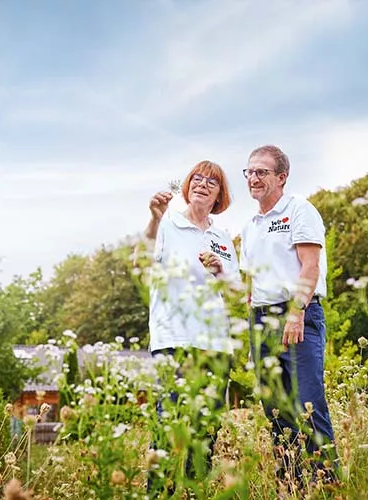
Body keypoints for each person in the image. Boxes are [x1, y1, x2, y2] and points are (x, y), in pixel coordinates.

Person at [239, 145, 337, 483]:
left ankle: (326, 482)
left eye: (261, 172)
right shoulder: (250, 225)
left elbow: (310, 266)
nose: (253, 178)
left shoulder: (299, 211)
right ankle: (292, 482)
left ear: (282, 177)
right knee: (275, 407)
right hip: (261, 320)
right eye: (249, 172)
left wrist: (296, 313)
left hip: (297, 315)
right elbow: (250, 280)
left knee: (307, 402)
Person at [143, 160, 239, 491]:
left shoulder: (222, 238)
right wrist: (155, 218)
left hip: (215, 343)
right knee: (168, 427)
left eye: (210, 182)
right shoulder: (167, 225)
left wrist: (220, 273)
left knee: (204, 433)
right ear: (187, 187)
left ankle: (197, 492)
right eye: (196, 179)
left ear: (219, 195)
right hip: (174, 338)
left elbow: (236, 292)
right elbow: (143, 255)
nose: (201, 184)